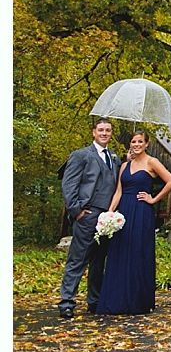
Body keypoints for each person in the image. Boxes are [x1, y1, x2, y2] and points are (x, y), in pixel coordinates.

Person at [97, 130, 171, 314]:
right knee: (119, 252)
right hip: (123, 211)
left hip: (142, 211)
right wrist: (109, 213)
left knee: (138, 252)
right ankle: (117, 298)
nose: (136, 144)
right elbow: (118, 191)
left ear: (147, 144)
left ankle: (137, 300)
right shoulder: (125, 166)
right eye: (134, 141)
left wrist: (154, 199)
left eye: (140, 141)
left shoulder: (152, 162)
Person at [58, 118, 120, 318]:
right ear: (94, 132)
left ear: (111, 134)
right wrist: (77, 211)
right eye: (101, 130)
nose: (104, 133)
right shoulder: (81, 155)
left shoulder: (114, 157)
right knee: (77, 259)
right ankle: (67, 302)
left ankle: (94, 301)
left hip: (107, 218)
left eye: (108, 130)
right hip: (87, 214)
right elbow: (69, 185)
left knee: (99, 261)